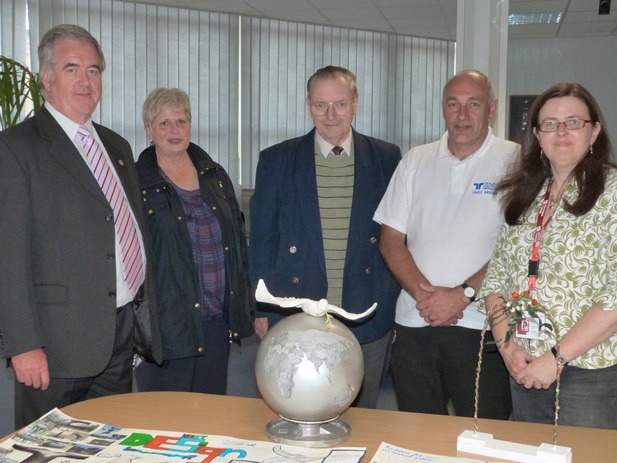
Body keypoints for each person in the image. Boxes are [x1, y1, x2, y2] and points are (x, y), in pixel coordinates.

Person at [0, 24, 160, 428]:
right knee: (45, 450)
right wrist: (23, 345)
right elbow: (8, 258)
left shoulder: (117, 147)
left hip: (120, 333)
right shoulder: (15, 148)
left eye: (94, 70)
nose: (86, 81)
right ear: (46, 79)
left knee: (109, 444)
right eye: (72, 69)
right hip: (56, 345)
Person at [249, 65, 401, 408]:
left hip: (366, 309)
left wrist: (391, 301)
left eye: (340, 104)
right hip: (297, 309)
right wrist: (261, 310)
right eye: (321, 105)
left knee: (364, 412)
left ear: (356, 103)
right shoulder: (276, 160)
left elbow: (398, 236)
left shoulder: (387, 158)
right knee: (301, 406)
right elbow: (262, 239)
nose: (331, 114)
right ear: (308, 105)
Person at [373, 69, 517, 418]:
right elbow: (390, 239)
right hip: (415, 322)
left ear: (492, 109)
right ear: (443, 108)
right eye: (453, 104)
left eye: (473, 104)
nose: (462, 115)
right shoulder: (415, 160)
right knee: (417, 435)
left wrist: (460, 295)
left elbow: (518, 246)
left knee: (484, 433)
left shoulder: (518, 161)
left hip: (483, 326)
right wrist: (427, 297)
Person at [480, 82, 617, 429]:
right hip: (524, 365)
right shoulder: (525, 195)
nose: (561, 131)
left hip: (587, 373)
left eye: (573, 122)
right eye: (550, 124)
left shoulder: (612, 193)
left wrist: (556, 358)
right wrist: (508, 347)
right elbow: (495, 280)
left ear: (595, 131)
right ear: (537, 136)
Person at [135, 87, 255, 394]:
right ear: (149, 130)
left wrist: (243, 306)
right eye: (164, 123)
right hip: (167, 326)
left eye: (181, 121)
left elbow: (238, 245)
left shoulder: (214, 175)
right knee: (167, 423)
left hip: (215, 322)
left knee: (208, 419)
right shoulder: (138, 182)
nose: (174, 130)